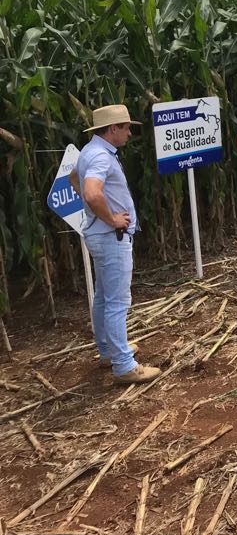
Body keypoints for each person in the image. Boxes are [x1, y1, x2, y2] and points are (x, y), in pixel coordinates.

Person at [70, 105, 161, 384]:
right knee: (118, 302)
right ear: (113, 129)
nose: (129, 133)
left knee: (103, 297)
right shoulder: (101, 156)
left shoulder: (90, 151)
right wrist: (111, 219)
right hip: (112, 237)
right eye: (126, 127)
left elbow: (74, 178)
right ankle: (124, 365)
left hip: (99, 236)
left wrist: (95, 211)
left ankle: (108, 351)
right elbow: (90, 191)